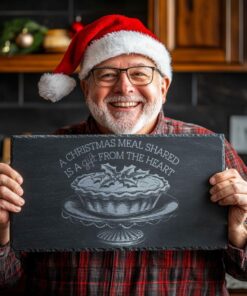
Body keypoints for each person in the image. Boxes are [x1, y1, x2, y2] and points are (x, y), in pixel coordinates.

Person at [0, 14, 246, 296]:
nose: (124, 87)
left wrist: (239, 231)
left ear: (163, 88)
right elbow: (7, 281)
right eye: (107, 74)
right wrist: (2, 232)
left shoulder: (209, 149)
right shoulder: (44, 159)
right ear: (86, 88)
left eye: (140, 73)